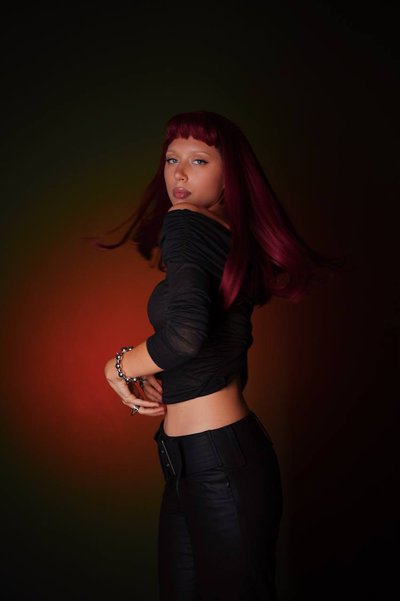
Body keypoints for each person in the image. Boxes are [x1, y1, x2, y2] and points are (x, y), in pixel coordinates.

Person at [103, 110, 344, 600]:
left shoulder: (187, 224)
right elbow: (218, 344)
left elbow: (185, 336)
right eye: (171, 159)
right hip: (198, 462)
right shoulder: (226, 233)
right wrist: (171, 379)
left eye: (199, 160)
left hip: (218, 465)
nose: (179, 174)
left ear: (229, 173)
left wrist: (118, 366)